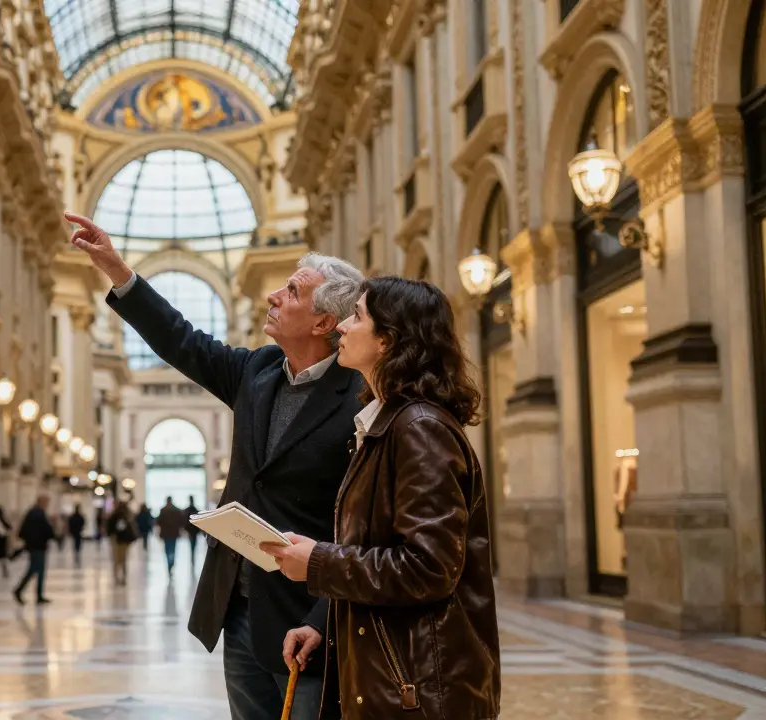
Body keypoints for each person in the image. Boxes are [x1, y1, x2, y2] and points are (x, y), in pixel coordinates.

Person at [68, 211, 366, 720]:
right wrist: (119, 272)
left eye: (291, 292)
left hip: (309, 620)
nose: (274, 297)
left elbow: (363, 522)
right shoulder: (258, 371)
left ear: (323, 323)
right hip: (240, 607)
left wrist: (324, 618)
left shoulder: (358, 396)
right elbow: (181, 340)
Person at [262, 277, 501, 720]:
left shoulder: (419, 428)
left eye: (357, 317)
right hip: (396, 674)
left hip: (422, 688)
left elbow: (428, 568)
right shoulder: (386, 424)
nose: (343, 328)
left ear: (388, 340)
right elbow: (377, 549)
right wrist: (324, 623)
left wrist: (318, 562)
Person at [13, 494, 57, 605]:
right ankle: (21, 590)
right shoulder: (38, 514)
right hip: (38, 546)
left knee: (36, 570)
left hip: (35, 546)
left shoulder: (32, 513)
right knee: (35, 570)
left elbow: (23, 531)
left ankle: (37, 594)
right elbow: (45, 529)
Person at [107, 502, 139, 586]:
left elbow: (109, 529)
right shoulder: (127, 516)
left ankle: (116, 577)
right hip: (125, 541)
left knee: (116, 560)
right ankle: (124, 577)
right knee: (124, 559)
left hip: (116, 540)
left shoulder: (114, 516)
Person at [155, 496, 186, 576]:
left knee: (167, 549)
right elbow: (182, 522)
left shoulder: (163, 510)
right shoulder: (177, 510)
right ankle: (171, 562)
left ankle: (169, 563)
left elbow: (158, 522)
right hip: (174, 533)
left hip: (165, 534)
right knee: (173, 549)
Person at [183, 495, 202, 566]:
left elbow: (185, 521)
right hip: (194, 530)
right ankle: (192, 555)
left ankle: (192, 554)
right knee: (193, 543)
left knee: (192, 543)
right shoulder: (195, 509)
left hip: (191, 530)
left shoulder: (187, 510)